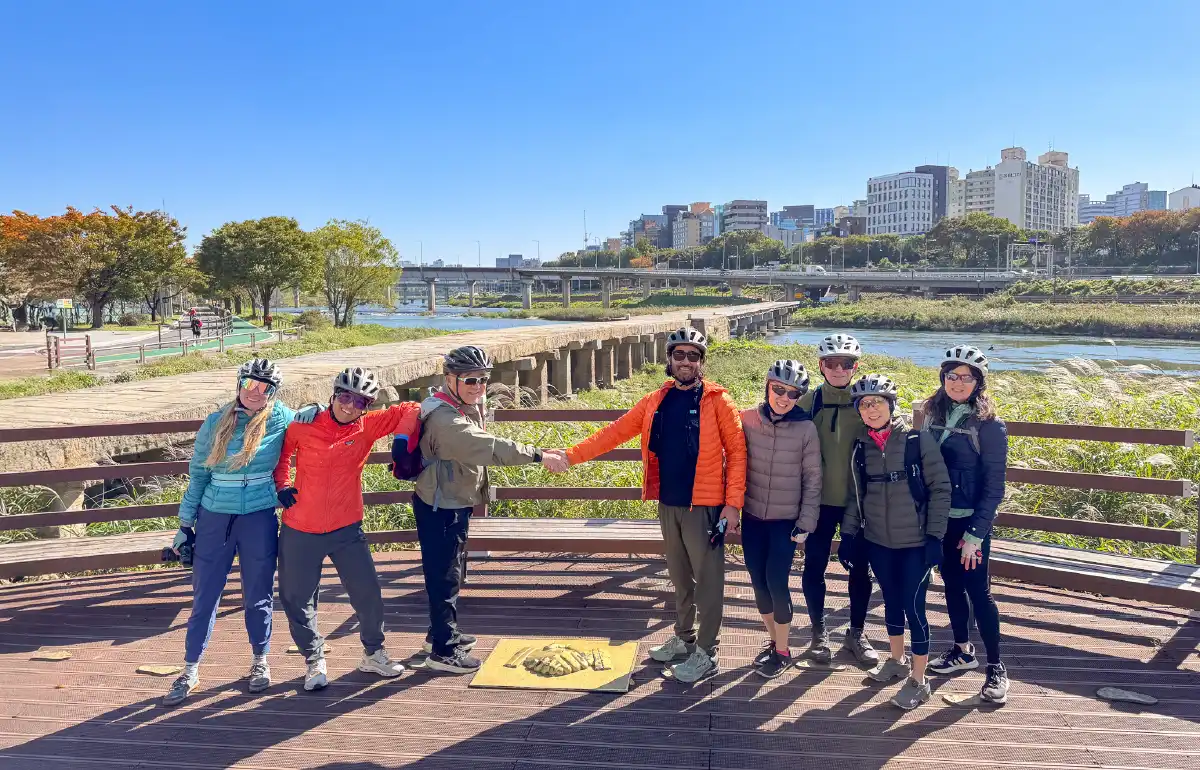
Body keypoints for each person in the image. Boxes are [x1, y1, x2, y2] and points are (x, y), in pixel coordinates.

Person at [565, 327, 746, 684]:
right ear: (668, 359)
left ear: (701, 362)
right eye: (679, 355)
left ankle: (707, 652)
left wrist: (732, 506)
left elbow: (738, 454)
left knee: (708, 581)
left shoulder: (718, 401)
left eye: (693, 356)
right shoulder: (655, 400)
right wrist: (570, 457)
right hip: (668, 503)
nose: (686, 362)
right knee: (679, 577)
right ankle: (683, 638)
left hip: (705, 506)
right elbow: (613, 434)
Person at [162, 358, 321, 707]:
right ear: (239, 383)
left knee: (259, 594)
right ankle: (190, 669)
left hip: (259, 516)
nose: (255, 393)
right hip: (214, 517)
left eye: (265, 388)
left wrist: (317, 407)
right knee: (205, 596)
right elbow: (198, 476)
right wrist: (184, 526)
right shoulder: (216, 422)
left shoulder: (281, 418)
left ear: (274, 393)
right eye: (250, 384)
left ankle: (260, 662)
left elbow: (320, 422)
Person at [414, 345, 568, 674]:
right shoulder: (445, 419)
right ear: (449, 379)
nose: (479, 387)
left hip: (453, 498)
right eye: (471, 380)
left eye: (484, 379)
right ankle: (443, 651)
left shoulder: (459, 403)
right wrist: (539, 455)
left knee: (449, 571)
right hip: (442, 505)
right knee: (444, 576)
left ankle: (439, 633)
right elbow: (489, 448)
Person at [273, 366, 420, 691]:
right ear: (334, 394)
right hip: (301, 526)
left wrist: (400, 442)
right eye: (345, 397)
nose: (351, 406)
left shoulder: (366, 426)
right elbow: (282, 455)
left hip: (346, 528)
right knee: (296, 598)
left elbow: (412, 409)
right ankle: (314, 660)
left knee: (368, 594)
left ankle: (373, 654)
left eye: (361, 401)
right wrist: (282, 485)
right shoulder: (304, 424)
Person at [841, 373, 951, 710]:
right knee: (890, 601)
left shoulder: (918, 440)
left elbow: (940, 489)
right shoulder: (861, 446)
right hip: (878, 540)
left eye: (876, 402)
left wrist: (935, 537)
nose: (871, 409)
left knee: (914, 608)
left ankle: (920, 681)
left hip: (915, 543)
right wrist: (848, 535)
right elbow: (856, 494)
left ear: (891, 404)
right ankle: (897, 660)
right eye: (864, 404)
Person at [924, 345, 1010, 704]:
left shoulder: (990, 426)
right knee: (951, 587)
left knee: (979, 592)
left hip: (970, 526)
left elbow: (994, 487)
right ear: (943, 378)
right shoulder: (933, 413)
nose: (957, 382)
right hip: (940, 521)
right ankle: (962, 650)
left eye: (966, 377)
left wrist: (977, 534)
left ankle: (996, 667)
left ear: (978, 383)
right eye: (951, 375)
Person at [795, 333, 879, 666]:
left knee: (860, 570)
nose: (839, 369)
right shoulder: (809, 401)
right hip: (818, 503)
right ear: (821, 366)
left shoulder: (866, 401)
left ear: (856, 367)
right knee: (814, 566)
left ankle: (856, 633)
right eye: (832, 363)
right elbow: (779, 427)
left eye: (847, 364)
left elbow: (892, 432)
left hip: (856, 503)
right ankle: (818, 634)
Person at [740, 360, 822, 679]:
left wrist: (806, 522)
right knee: (758, 582)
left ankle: (784, 651)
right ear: (767, 385)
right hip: (752, 517)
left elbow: (813, 478)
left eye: (793, 393)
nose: (784, 398)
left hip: (785, 521)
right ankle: (775, 642)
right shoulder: (746, 418)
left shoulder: (806, 428)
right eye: (778, 389)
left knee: (777, 582)